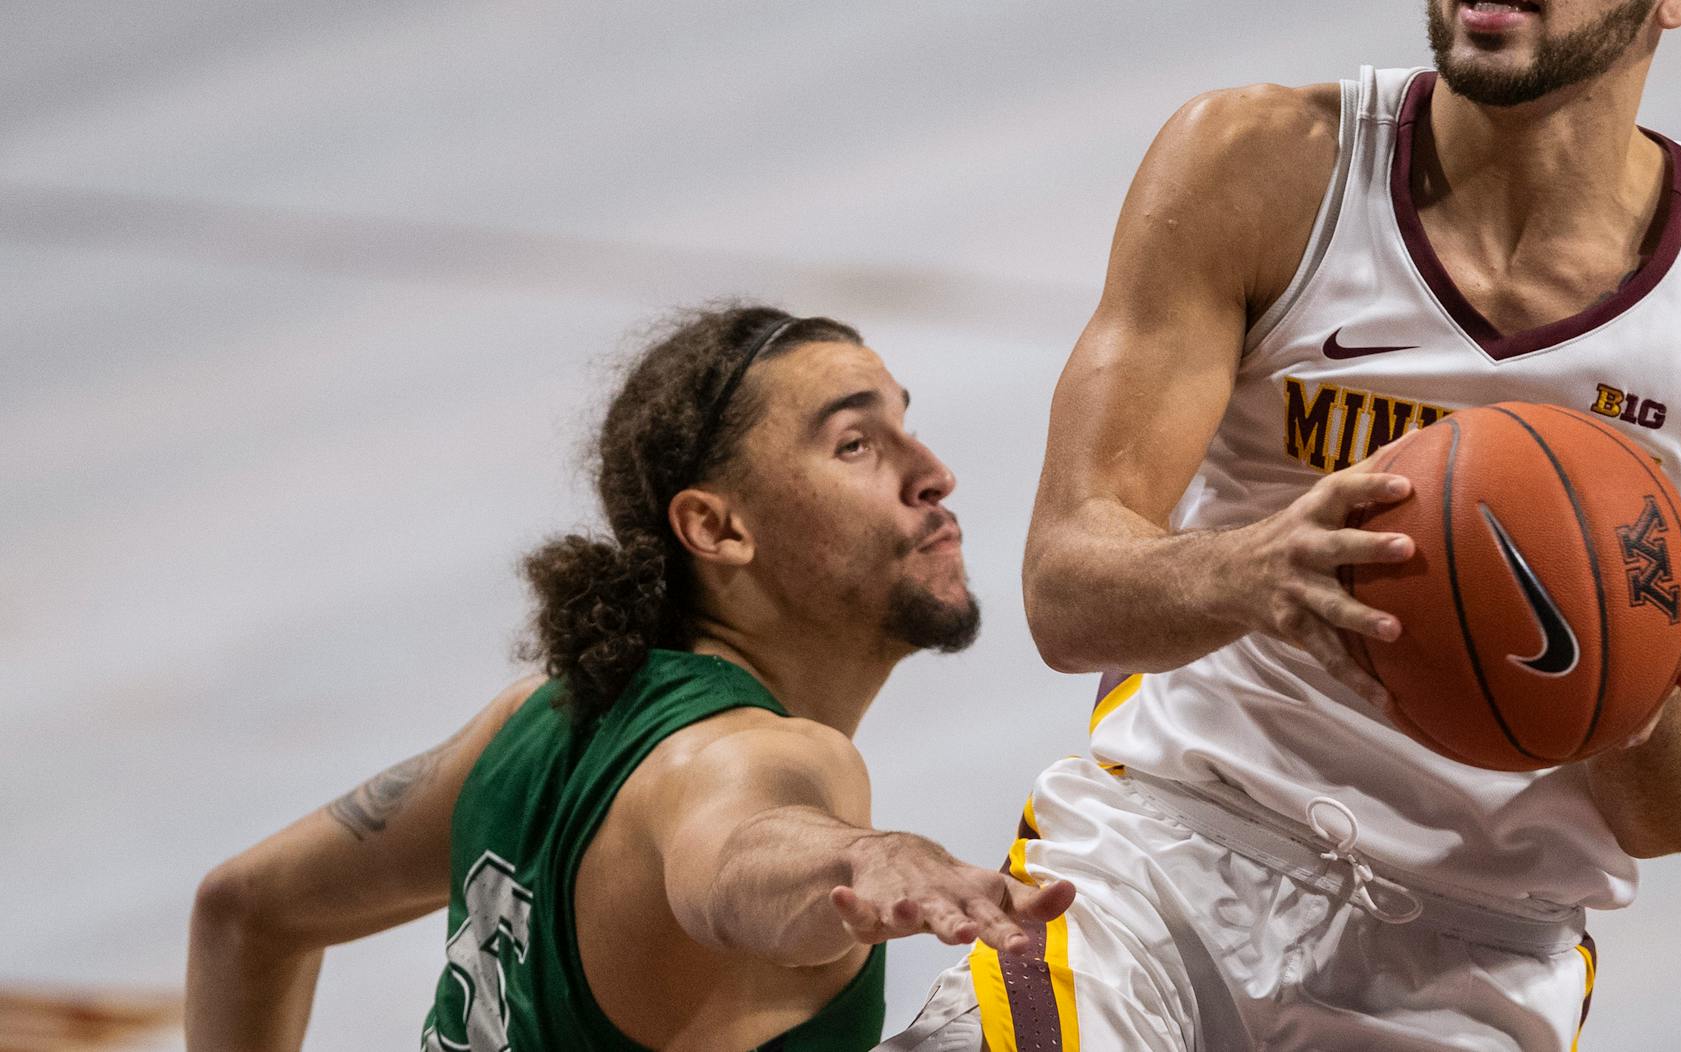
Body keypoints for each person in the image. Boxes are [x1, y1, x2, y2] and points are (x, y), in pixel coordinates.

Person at [889, 0, 1681, 1052]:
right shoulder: (1257, 167)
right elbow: (1066, 592)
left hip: (1480, 941)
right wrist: (1252, 569)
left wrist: (1622, 672)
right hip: (1166, 859)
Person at [187, 304, 1073, 1052]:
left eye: (904, 426)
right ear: (717, 528)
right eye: (853, 444)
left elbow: (246, 912)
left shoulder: (536, 722)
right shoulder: (755, 760)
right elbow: (732, 857)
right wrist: (864, 856)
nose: (932, 474)